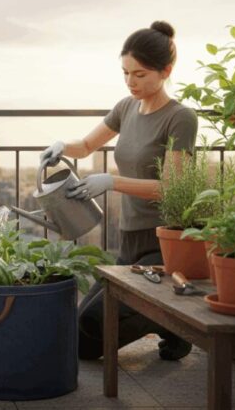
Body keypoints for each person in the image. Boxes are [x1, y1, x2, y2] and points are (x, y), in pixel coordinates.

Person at [40, 20, 198, 361]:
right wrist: (60, 146)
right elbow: (85, 145)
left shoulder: (180, 118)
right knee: (81, 332)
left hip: (163, 242)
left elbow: (171, 188)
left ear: (166, 70)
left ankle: (175, 323)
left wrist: (111, 181)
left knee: (97, 329)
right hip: (129, 242)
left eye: (140, 74)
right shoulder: (126, 108)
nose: (131, 82)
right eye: (126, 73)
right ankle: (167, 320)